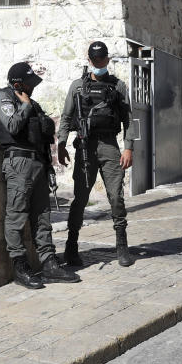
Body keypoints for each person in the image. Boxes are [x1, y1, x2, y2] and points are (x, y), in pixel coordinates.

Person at [0, 62, 80, 289]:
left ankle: (49, 263)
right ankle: (20, 267)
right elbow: (11, 126)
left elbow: (41, 137)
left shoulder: (33, 104)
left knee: (42, 216)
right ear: (18, 83)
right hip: (18, 162)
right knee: (17, 215)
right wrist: (25, 106)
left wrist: (48, 167)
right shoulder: (4, 98)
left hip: (38, 164)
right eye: (29, 83)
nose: (33, 88)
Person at [57, 41, 136, 267]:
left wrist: (129, 147)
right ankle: (71, 247)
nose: (98, 64)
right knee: (80, 198)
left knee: (116, 197)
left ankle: (122, 246)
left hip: (109, 146)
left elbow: (129, 120)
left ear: (107, 60)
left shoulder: (118, 86)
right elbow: (65, 117)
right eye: (95, 60)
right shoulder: (77, 87)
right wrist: (61, 144)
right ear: (89, 60)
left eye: (102, 60)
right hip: (84, 146)